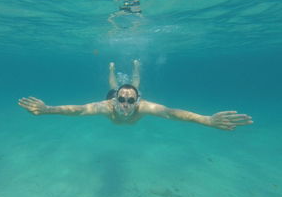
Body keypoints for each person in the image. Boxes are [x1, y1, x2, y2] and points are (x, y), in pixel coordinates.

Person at [18, 60, 253, 130]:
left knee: (135, 82)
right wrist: (47, 109)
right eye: (122, 99)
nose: (126, 104)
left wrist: (207, 119)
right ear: (115, 100)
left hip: (133, 89)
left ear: (137, 101)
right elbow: (79, 110)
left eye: (130, 100)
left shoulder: (143, 106)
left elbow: (171, 114)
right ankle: (111, 70)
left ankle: (136, 68)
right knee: (114, 83)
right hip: (112, 90)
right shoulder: (108, 104)